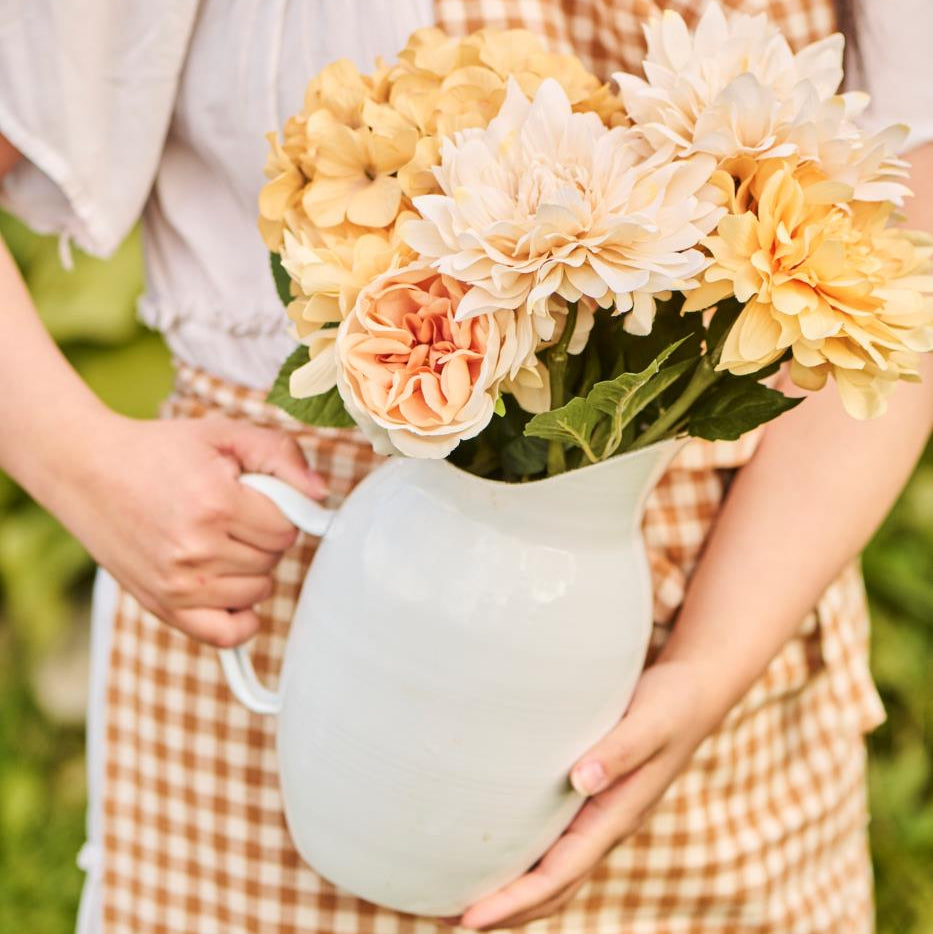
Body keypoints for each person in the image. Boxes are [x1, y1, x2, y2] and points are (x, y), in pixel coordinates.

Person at [0, 0, 931, 931]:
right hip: (275, 602)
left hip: (732, 608)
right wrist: (85, 463)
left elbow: (909, 248)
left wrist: (708, 667)